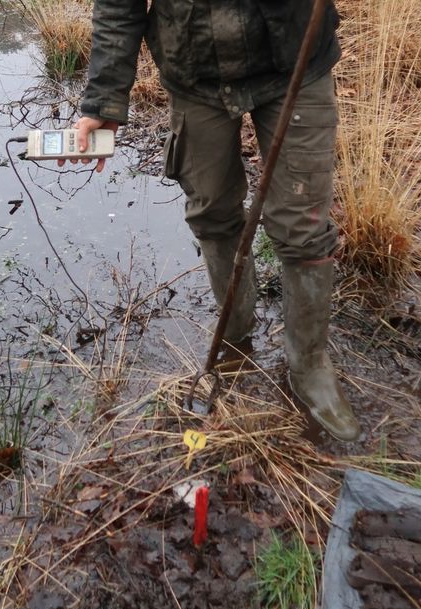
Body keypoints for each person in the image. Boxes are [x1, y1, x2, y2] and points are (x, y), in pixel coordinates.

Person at [69, 0, 361, 442]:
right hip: (195, 71)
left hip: (294, 57)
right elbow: (118, 5)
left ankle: (309, 364)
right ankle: (236, 339)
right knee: (212, 213)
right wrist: (105, 97)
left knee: (303, 228)